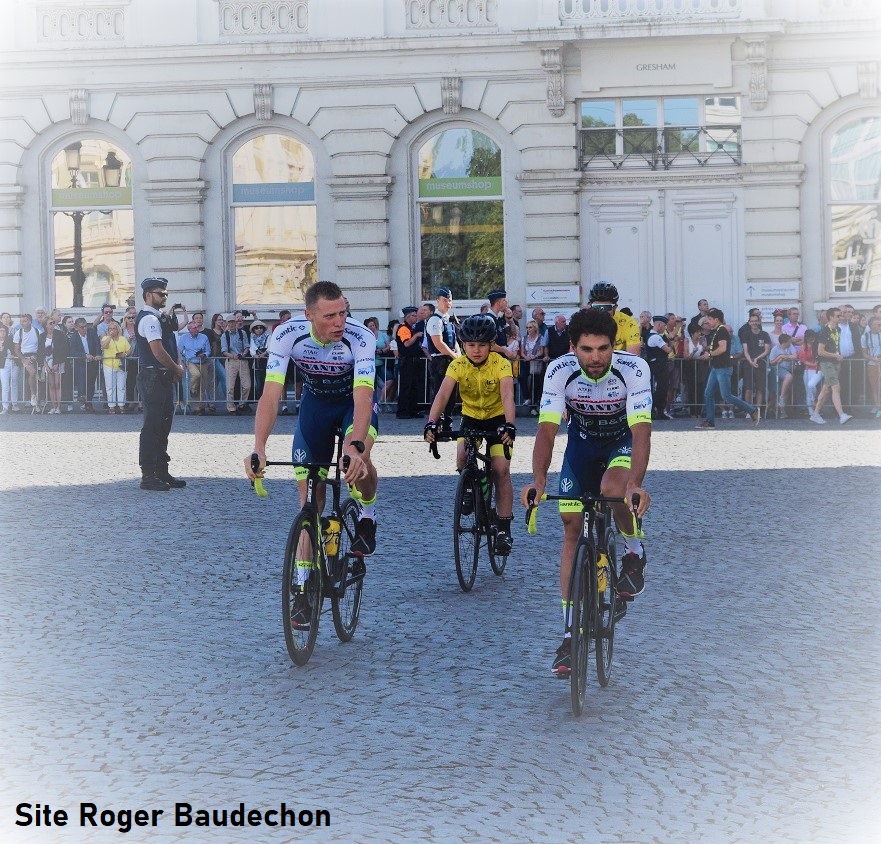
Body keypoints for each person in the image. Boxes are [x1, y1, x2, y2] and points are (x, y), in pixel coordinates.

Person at [519, 308, 652, 677]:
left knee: (613, 488)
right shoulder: (559, 370)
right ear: (572, 347)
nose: (595, 357)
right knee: (570, 524)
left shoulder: (634, 369)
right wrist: (538, 481)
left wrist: (636, 484)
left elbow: (641, 431)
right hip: (581, 448)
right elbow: (547, 431)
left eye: (603, 348)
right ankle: (569, 634)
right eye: (587, 349)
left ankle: (634, 552)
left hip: (621, 444)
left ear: (614, 345)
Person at [245, 280, 380, 563]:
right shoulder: (286, 334)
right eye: (329, 316)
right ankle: (304, 576)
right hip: (316, 406)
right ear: (309, 315)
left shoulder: (361, 336)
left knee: (358, 457)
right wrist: (259, 447)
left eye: (342, 313)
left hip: (351, 405)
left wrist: (355, 447)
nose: (339, 322)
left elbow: (363, 397)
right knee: (309, 496)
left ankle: (368, 513)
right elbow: (270, 395)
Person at [424, 313, 517, 553]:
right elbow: (442, 395)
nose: (476, 350)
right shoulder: (457, 365)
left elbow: (507, 395)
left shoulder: (501, 364)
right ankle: (469, 487)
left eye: (482, 345)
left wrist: (509, 424)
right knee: (462, 458)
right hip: (472, 418)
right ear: (463, 345)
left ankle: (504, 528)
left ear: (491, 345)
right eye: (471, 345)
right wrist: (432, 422)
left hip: (498, 420)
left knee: (501, 470)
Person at [135, 277, 187, 490]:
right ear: (148, 295)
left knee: (163, 425)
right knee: (152, 426)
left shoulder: (158, 317)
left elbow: (171, 344)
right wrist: (176, 368)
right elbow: (157, 350)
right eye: (160, 293)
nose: (164, 297)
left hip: (162, 377)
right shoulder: (149, 319)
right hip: (152, 377)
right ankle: (148, 475)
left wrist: (175, 366)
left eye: (166, 294)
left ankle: (161, 471)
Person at [696, 308, 760, 429]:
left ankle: (752, 410)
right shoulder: (718, 331)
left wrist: (709, 354)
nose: (708, 321)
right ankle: (710, 421)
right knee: (708, 393)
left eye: (710, 319)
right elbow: (718, 347)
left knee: (726, 396)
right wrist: (707, 348)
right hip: (716, 367)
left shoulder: (721, 330)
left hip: (723, 368)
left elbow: (722, 348)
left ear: (716, 319)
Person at [424, 287, 459, 434]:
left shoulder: (448, 320)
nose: (448, 303)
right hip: (440, 361)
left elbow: (454, 341)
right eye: (445, 300)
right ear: (437, 301)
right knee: (440, 394)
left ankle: (447, 426)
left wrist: (458, 355)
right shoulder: (435, 320)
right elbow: (438, 343)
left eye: (449, 300)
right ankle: (436, 426)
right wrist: (454, 356)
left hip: (450, 361)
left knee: (452, 395)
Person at [811, 307, 853, 425]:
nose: (840, 317)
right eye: (838, 316)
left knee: (826, 389)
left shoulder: (838, 329)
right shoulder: (825, 331)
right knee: (836, 387)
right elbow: (820, 351)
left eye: (841, 315)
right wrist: (835, 355)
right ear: (831, 317)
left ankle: (815, 414)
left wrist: (837, 356)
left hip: (835, 363)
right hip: (827, 363)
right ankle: (842, 415)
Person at [585, 282, 642, 356]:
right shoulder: (582, 322)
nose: (602, 311)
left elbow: (633, 357)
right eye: (597, 307)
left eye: (607, 307)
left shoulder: (628, 323)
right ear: (590, 306)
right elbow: (574, 356)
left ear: (615, 307)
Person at [177, 318, 212, 414]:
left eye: (197, 327)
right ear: (189, 330)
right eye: (194, 328)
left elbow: (208, 351)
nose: (197, 329)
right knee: (196, 375)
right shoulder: (184, 338)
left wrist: (204, 354)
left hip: (203, 361)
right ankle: (192, 389)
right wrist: (182, 361)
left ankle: (199, 407)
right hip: (191, 361)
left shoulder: (204, 337)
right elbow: (179, 351)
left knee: (202, 385)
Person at [395, 306, 424, 419]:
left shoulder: (411, 328)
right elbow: (406, 343)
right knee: (406, 386)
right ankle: (403, 411)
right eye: (414, 315)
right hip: (407, 361)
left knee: (414, 386)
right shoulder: (403, 328)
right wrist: (416, 336)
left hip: (413, 361)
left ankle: (412, 410)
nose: (416, 317)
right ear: (407, 317)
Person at [221, 311, 252, 414]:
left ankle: (242, 404)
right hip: (231, 361)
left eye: (233, 322)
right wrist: (233, 356)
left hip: (242, 360)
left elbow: (247, 346)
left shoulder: (242, 333)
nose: (231, 324)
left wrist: (244, 353)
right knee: (230, 386)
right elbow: (224, 351)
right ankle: (231, 407)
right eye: (229, 322)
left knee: (247, 385)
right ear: (227, 324)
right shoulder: (224, 335)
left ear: (235, 322)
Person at [69, 317, 102, 411]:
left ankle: (89, 402)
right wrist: (84, 355)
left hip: (92, 362)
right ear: (76, 328)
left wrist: (98, 354)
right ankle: (82, 397)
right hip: (81, 363)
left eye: (85, 326)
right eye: (81, 327)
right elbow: (72, 352)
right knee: (82, 381)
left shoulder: (92, 332)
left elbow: (97, 344)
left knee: (91, 383)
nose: (84, 329)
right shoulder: (74, 337)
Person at [644, 315, 673, 420]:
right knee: (662, 388)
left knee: (662, 388)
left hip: (657, 365)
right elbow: (668, 350)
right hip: (659, 366)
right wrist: (671, 343)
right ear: (659, 325)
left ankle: (659, 411)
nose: (665, 328)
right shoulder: (656, 337)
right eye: (664, 326)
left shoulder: (651, 335)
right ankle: (654, 408)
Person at [741, 312, 771, 409]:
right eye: (752, 321)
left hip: (761, 364)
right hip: (748, 364)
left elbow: (767, 350)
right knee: (748, 389)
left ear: (759, 322)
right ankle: (749, 410)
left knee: (760, 389)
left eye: (756, 321)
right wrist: (751, 361)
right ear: (749, 322)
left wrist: (757, 359)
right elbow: (745, 351)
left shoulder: (764, 334)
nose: (754, 323)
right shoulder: (745, 334)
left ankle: (757, 410)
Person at [519, 318, 547, 413]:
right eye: (527, 327)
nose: (528, 329)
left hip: (536, 362)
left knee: (534, 383)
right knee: (522, 377)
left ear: (535, 328)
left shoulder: (540, 337)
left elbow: (541, 351)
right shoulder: (524, 338)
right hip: (526, 362)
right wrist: (526, 357)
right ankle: (527, 397)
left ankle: (534, 406)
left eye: (530, 327)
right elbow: (522, 352)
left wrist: (534, 356)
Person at [13, 314, 40, 408]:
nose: (22, 323)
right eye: (21, 321)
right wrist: (24, 360)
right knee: (32, 372)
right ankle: (33, 395)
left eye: (24, 321)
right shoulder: (18, 333)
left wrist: (36, 356)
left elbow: (41, 346)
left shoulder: (37, 331)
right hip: (24, 356)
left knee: (41, 378)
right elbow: (16, 349)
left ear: (30, 322)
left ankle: (39, 401)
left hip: (36, 355)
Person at [769, 332, 798, 417]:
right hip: (778, 369)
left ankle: (782, 411)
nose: (790, 343)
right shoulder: (775, 349)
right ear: (784, 342)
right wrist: (779, 357)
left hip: (788, 369)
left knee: (785, 391)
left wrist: (785, 356)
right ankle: (780, 399)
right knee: (789, 377)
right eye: (789, 341)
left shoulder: (790, 346)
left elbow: (795, 356)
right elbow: (771, 362)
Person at [798, 329, 822, 414]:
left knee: (811, 385)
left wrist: (816, 364)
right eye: (809, 338)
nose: (812, 339)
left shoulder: (818, 345)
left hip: (818, 370)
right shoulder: (803, 346)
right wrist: (813, 364)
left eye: (813, 337)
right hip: (807, 369)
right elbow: (803, 360)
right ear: (806, 338)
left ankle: (813, 400)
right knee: (808, 390)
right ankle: (810, 411)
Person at [861, 315, 881, 416]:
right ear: (872, 326)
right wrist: (873, 359)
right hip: (872, 365)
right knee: (874, 387)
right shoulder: (865, 336)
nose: (880, 326)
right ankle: (878, 407)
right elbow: (864, 353)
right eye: (878, 325)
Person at [120, 312, 139, 412]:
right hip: (127, 358)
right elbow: (120, 343)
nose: (131, 319)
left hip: (137, 357)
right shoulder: (122, 330)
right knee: (129, 382)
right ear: (125, 319)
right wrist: (129, 340)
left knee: (139, 381)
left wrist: (137, 338)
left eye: (133, 317)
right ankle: (130, 401)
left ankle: (140, 402)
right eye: (129, 317)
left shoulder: (138, 328)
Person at [248, 320, 270, 401]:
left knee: (267, 383)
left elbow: (270, 347)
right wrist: (255, 355)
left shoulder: (268, 337)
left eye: (260, 328)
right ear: (254, 330)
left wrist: (264, 354)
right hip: (258, 363)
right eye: (256, 328)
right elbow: (252, 349)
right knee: (259, 383)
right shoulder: (252, 339)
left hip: (267, 362)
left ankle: (268, 400)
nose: (259, 329)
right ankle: (260, 401)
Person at [0, 324, 17, 412]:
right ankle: (5, 406)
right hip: (3, 366)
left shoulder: (10, 340)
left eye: (4, 331)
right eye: (0, 331)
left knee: (14, 384)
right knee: (5, 386)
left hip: (13, 364)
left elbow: (15, 350)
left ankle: (14, 404)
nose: (2, 333)